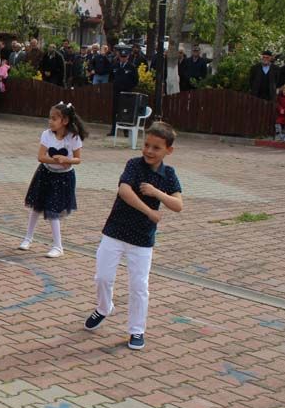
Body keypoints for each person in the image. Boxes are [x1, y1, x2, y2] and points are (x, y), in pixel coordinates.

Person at [84, 122, 183, 350]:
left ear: (168, 150)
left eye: (156, 148)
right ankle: (103, 308)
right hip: (115, 230)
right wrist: (150, 211)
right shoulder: (134, 165)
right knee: (102, 277)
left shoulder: (168, 174)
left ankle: (136, 330)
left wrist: (157, 193)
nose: (149, 151)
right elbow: (124, 191)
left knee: (139, 285)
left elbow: (178, 205)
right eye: (146, 145)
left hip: (142, 239)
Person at [18, 102, 87, 258]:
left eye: (54, 118)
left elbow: (78, 159)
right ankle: (27, 238)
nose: (50, 121)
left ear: (65, 121)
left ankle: (58, 246)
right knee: (36, 206)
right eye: (50, 118)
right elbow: (41, 157)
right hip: (45, 174)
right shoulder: (46, 134)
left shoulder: (73, 137)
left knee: (53, 209)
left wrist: (66, 159)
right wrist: (57, 161)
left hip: (64, 178)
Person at [108, 46, 139, 136]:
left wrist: (128, 88)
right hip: (117, 92)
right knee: (115, 111)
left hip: (127, 93)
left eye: (125, 57)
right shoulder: (115, 65)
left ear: (128, 57)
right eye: (121, 57)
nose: (123, 58)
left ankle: (126, 131)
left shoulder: (131, 67)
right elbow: (111, 77)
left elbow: (135, 80)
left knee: (126, 112)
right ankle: (113, 131)